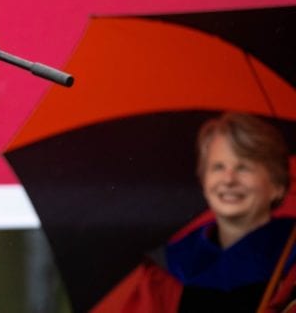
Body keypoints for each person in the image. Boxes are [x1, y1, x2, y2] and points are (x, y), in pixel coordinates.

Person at [94, 112, 296, 312]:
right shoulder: (171, 267)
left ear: (277, 185)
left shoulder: (291, 258)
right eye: (218, 167)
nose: (228, 179)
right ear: (203, 180)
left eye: (243, 167)